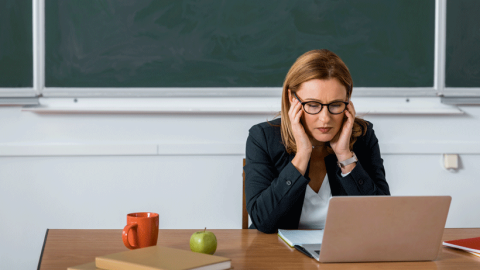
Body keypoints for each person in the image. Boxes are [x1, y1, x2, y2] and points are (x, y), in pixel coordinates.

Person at [244, 49, 390, 234]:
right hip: (281, 254)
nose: (325, 119)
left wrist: (345, 156)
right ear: (292, 99)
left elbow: (380, 217)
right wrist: (302, 155)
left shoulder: (363, 136)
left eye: (335, 105)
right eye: (313, 105)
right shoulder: (263, 138)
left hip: (344, 252)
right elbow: (263, 222)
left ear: (347, 99)